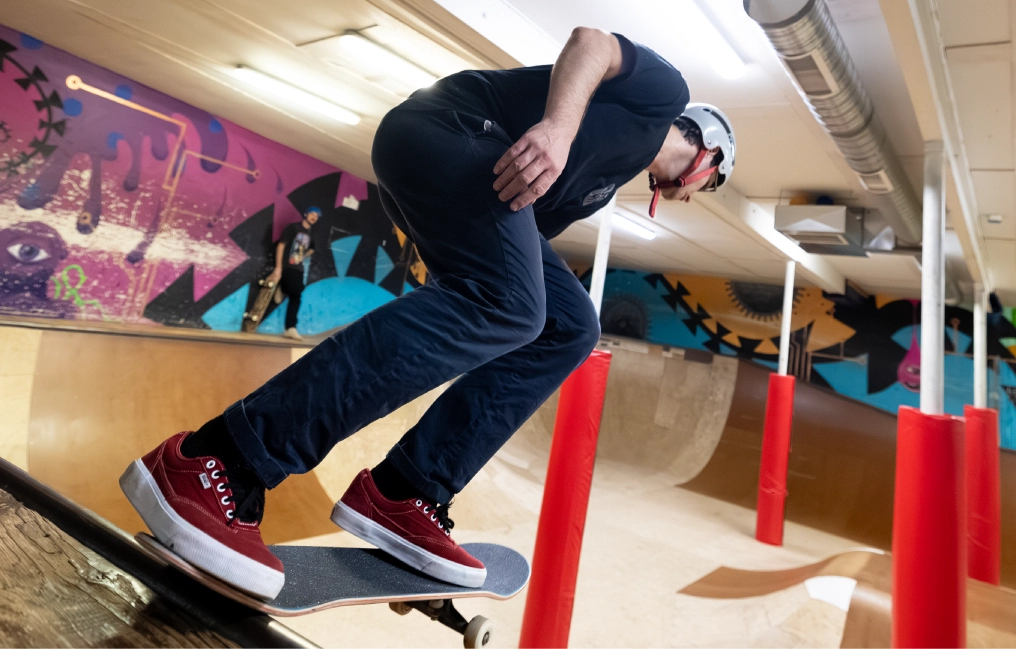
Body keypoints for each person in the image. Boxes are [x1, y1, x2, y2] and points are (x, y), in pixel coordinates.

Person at [118, 27, 736, 600]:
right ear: (707, 155)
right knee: (516, 306)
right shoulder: (662, 96)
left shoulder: (596, 188)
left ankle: (408, 489)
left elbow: (497, 253)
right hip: (452, 127)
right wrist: (556, 127)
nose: (692, 195)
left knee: (566, 324)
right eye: (707, 185)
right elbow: (592, 43)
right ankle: (220, 459)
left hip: (458, 174)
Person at [270, 206, 319, 341]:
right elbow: (281, 246)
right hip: (287, 266)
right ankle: (291, 328)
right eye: (312, 214)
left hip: (299, 268)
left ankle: (282, 287)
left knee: (296, 294)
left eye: (316, 216)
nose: (314, 217)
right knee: (297, 294)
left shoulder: (312, 234)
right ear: (306, 214)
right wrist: (278, 268)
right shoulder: (293, 228)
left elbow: (313, 249)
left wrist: (303, 256)